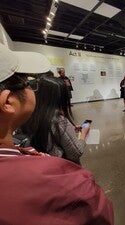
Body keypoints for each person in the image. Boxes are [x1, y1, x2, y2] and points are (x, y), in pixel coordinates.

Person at [0, 44, 113, 224]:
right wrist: (83, 133)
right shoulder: (57, 123)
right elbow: (76, 152)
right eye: (26, 82)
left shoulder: (24, 130)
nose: (31, 88)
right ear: (7, 101)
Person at [21, 76, 90, 165]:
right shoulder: (58, 121)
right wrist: (83, 134)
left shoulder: (29, 115)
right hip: (61, 167)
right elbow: (75, 153)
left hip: (41, 165)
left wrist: (70, 130)